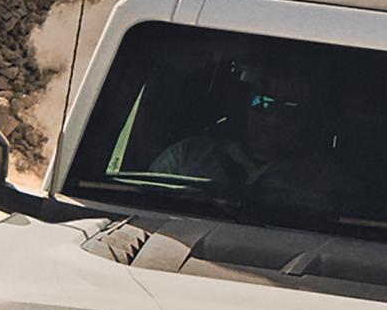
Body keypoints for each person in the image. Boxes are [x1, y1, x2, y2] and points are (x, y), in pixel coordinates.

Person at [150, 65, 354, 211]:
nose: (274, 119)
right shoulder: (187, 156)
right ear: (243, 106)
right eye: (263, 103)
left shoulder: (327, 182)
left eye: (291, 108)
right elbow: (144, 201)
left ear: (308, 119)